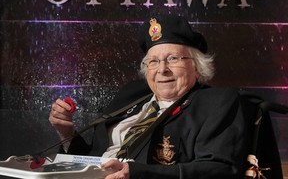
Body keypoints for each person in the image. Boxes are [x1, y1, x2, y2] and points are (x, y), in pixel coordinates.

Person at [49, 15, 281, 179]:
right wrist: (67, 133)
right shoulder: (131, 96)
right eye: (153, 61)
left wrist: (137, 173)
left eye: (173, 59)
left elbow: (218, 169)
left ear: (197, 67)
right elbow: (94, 159)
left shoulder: (217, 102)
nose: (162, 69)